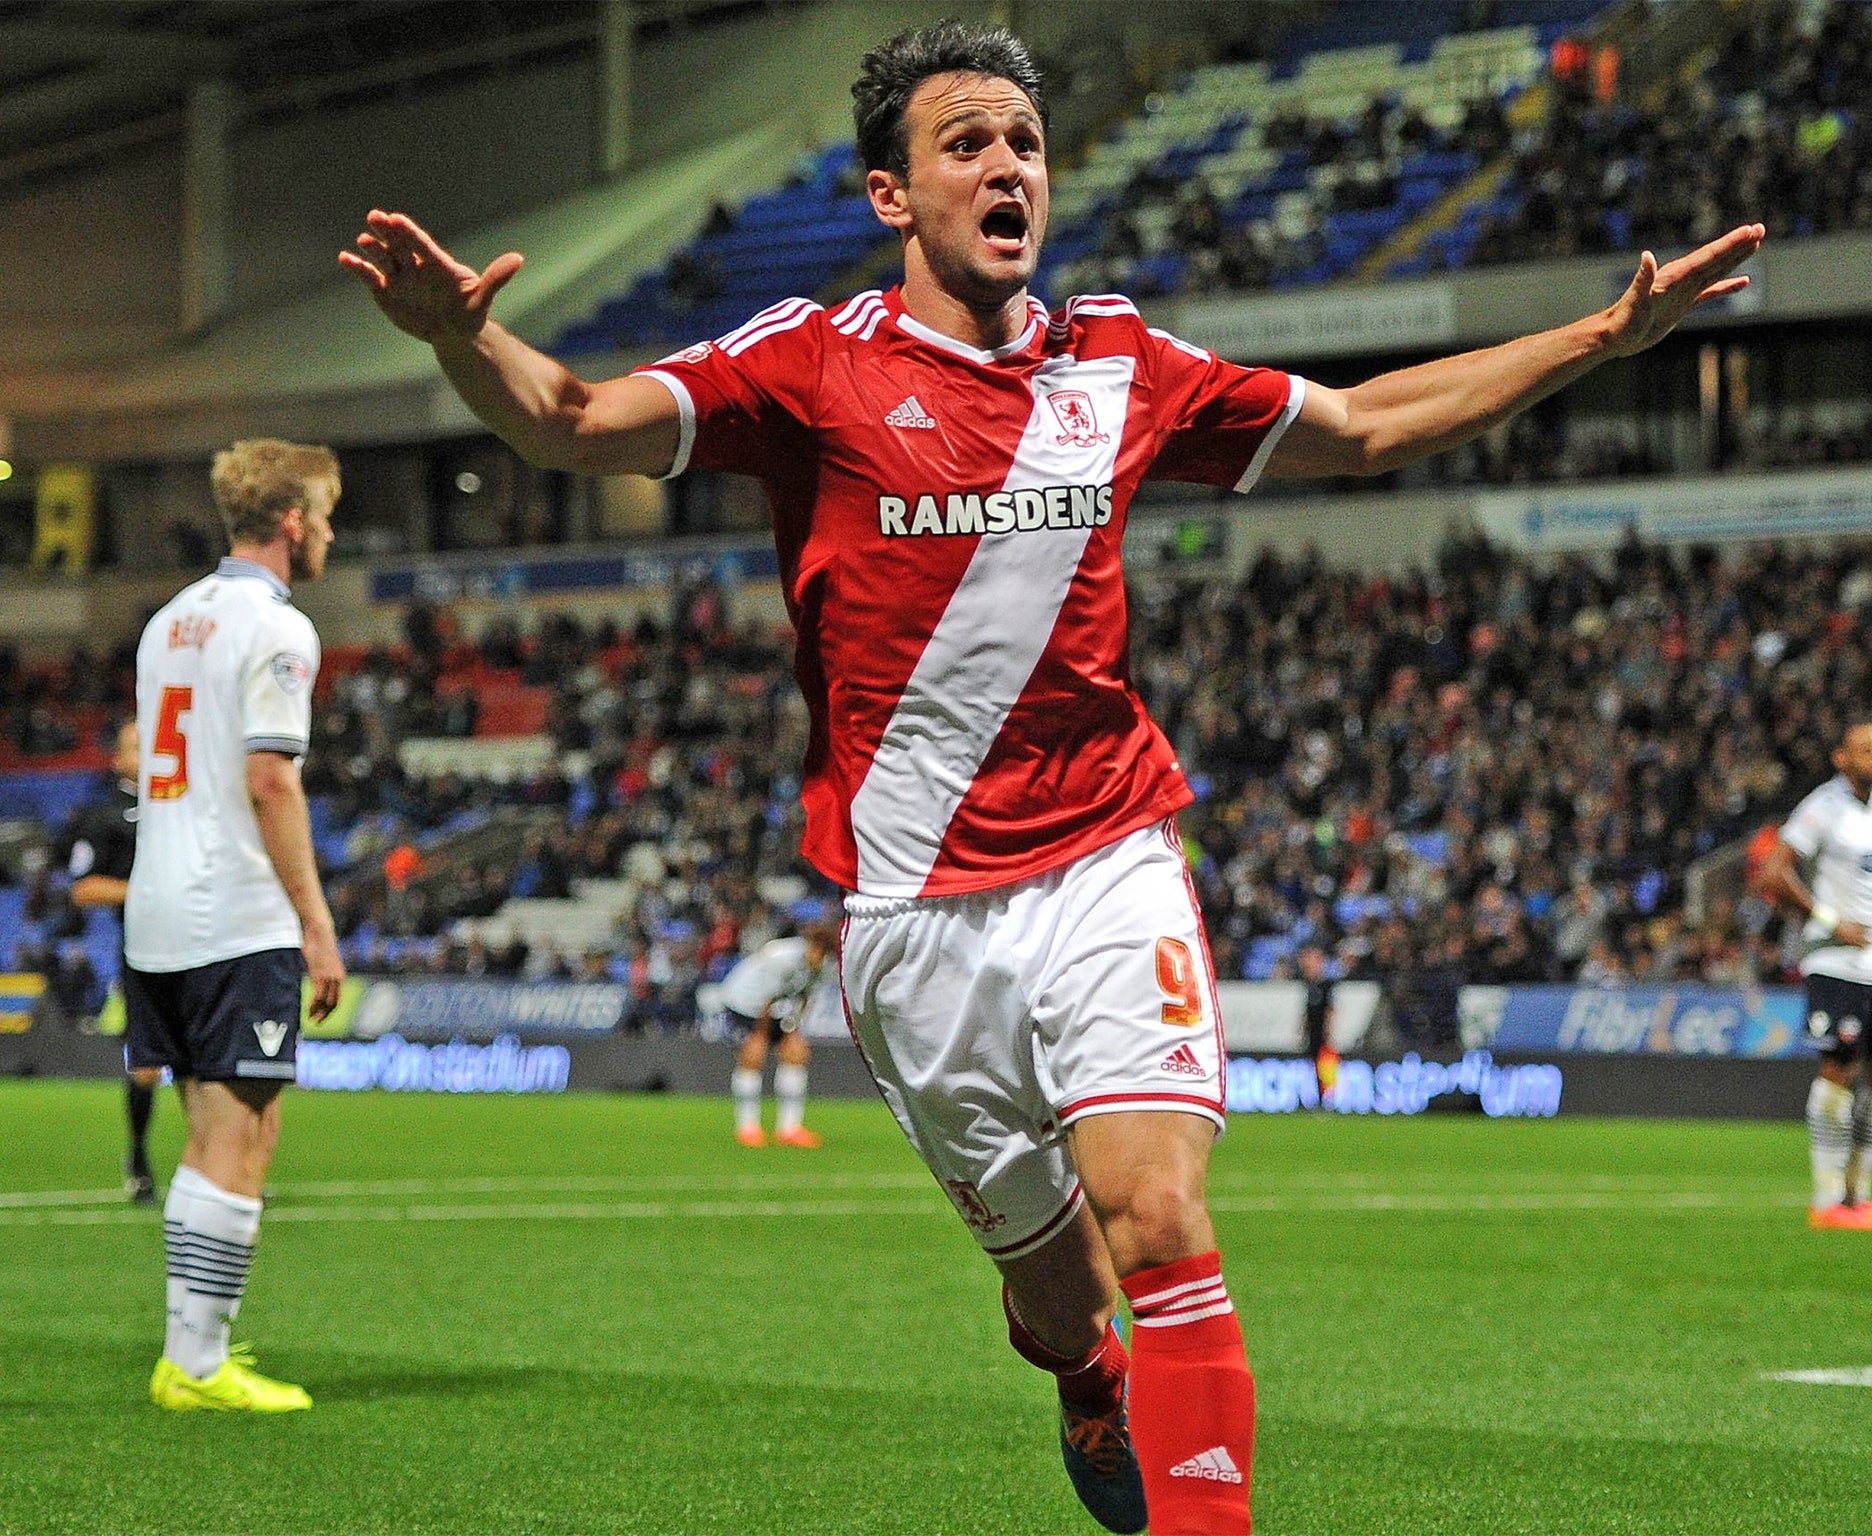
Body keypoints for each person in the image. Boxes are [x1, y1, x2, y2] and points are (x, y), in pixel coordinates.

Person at [342, 21, 1760, 1532]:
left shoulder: (1120, 360)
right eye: (967, 143)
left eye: (1023, 139)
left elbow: (1356, 427)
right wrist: (458, 338)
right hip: (911, 920)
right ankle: (1086, 1380)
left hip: (1104, 857)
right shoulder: (809, 366)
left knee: (1161, 1218)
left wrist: (1595, 344)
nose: (1008, 164)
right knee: (1065, 1298)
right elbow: (569, 422)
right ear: (893, 195)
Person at [126, 439, 346, 1413]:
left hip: (156, 909)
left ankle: (190, 1350)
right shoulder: (278, 629)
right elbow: (270, 779)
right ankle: (201, 1363)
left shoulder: (168, 621)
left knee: (203, 1135)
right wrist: (316, 921)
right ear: (293, 520)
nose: (332, 531)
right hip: (235, 913)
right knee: (242, 1137)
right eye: (329, 514)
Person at [1761, 721, 1872, 1233]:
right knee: (1841, 1070)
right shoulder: (1822, 807)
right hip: (1835, 962)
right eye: (1866, 749)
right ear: (1841, 758)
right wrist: (1830, 921)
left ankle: (1860, 1194)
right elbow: (1773, 872)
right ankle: (1827, 1200)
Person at [60, 717, 156, 1202]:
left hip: (203, 950)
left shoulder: (185, 806)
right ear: (119, 759)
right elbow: (82, 888)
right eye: (139, 747)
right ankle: (138, 1156)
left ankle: (221, 1173)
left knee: (208, 1067)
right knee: (147, 1066)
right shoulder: (103, 816)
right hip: (143, 953)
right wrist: (148, 891)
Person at [717, 921, 835, 1147]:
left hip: (777, 1006)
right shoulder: (781, 956)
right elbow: (765, 998)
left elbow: (805, 998)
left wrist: (792, 1029)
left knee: (797, 1053)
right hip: (743, 1004)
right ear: (811, 944)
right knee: (753, 1057)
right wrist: (760, 1036)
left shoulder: (827, 965)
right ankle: (748, 1127)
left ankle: (789, 1129)